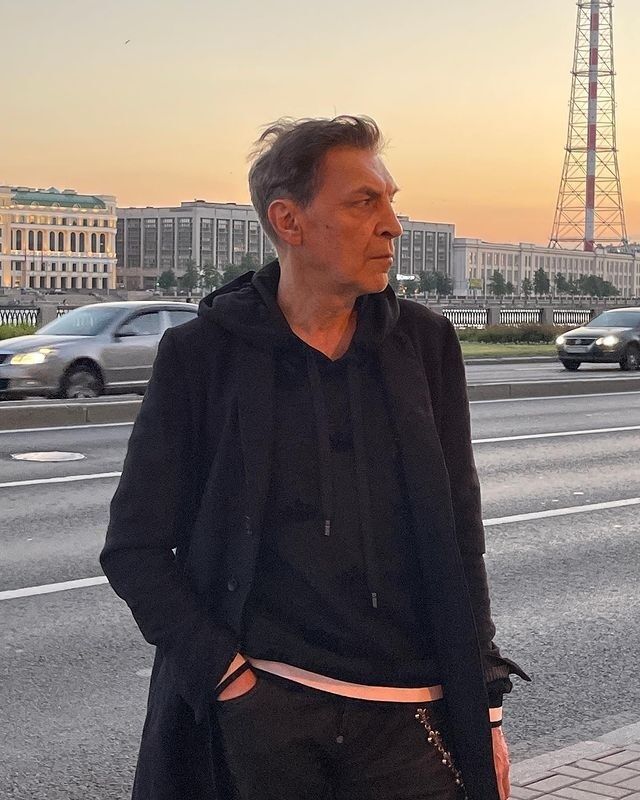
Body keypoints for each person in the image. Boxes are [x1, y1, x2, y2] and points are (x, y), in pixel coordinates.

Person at [101, 115, 529, 800]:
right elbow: (135, 548)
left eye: (391, 202)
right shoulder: (202, 356)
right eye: (364, 202)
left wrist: (484, 710)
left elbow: (459, 538)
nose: (392, 226)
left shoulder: (425, 346)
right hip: (265, 720)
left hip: (410, 721)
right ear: (289, 221)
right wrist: (229, 681)